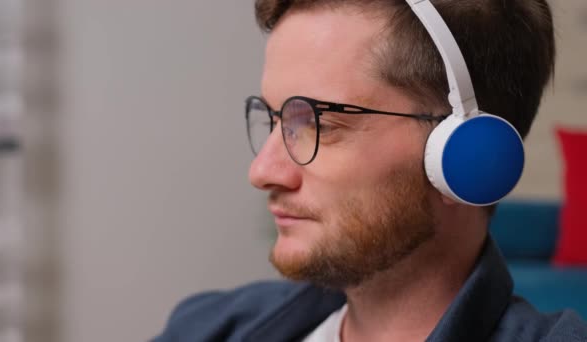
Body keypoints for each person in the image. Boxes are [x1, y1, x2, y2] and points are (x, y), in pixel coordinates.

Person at [154, 0, 587, 341]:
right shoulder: (208, 327)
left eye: (317, 122)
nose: (262, 171)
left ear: (467, 156)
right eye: (273, 119)